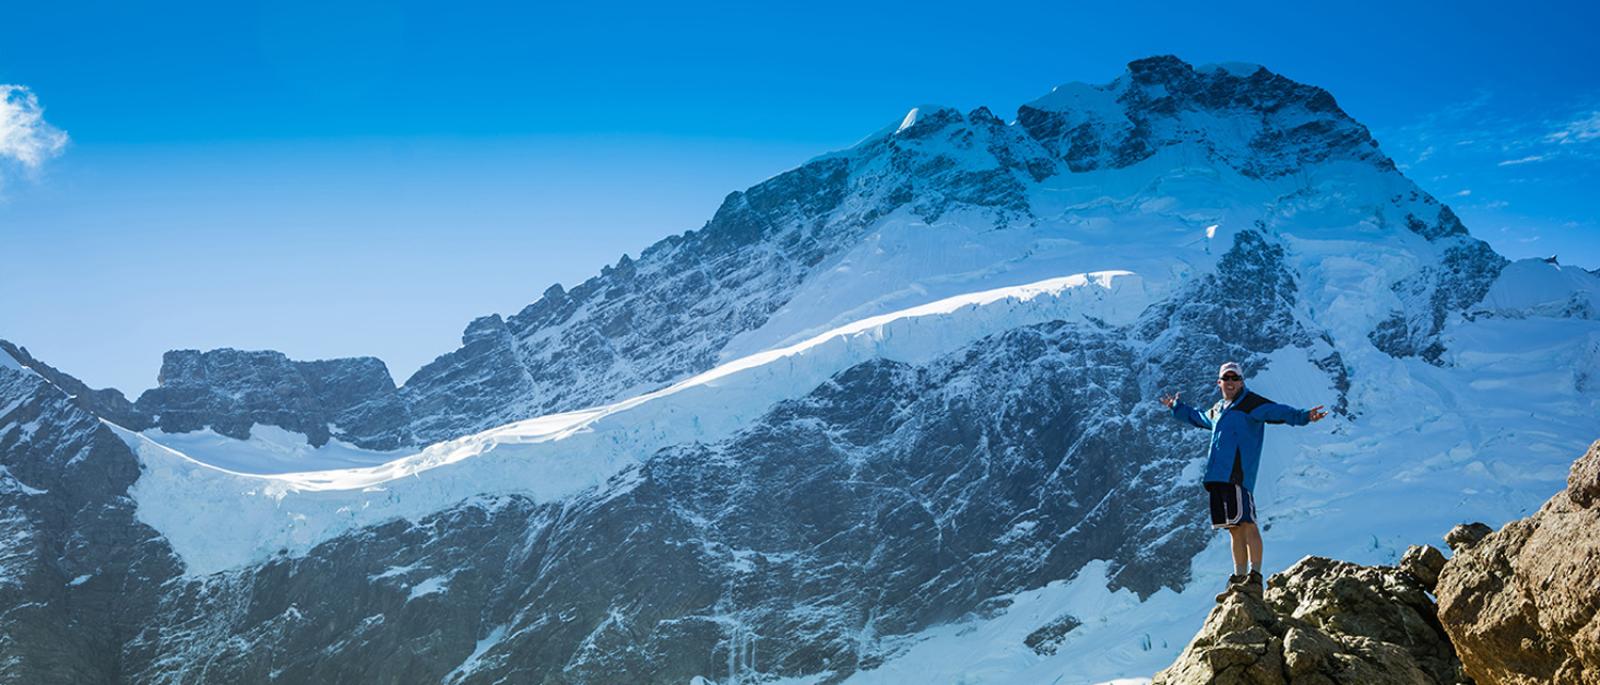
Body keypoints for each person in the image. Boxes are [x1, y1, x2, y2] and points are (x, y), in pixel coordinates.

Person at [1159, 361, 1326, 601]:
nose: (1230, 382)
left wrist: (1304, 416)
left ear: (1241, 381)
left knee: (1247, 523)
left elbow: (1277, 411)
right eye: (1226, 378)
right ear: (1219, 383)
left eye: (1234, 378)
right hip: (1217, 476)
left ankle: (1255, 577)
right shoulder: (1218, 409)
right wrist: (1176, 407)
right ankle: (1239, 579)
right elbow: (1199, 418)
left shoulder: (1251, 403)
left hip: (1237, 474)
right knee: (1233, 528)